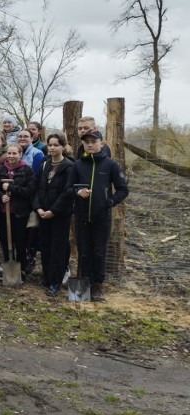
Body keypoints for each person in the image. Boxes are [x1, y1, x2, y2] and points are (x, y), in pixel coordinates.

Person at [68, 129, 128, 302]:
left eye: (93, 141)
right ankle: (84, 284)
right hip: (81, 217)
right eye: (86, 142)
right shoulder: (77, 165)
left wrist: (109, 202)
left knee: (99, 252)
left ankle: (98, 286)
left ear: (101, 143)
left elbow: (123, 190)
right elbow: (68, 188)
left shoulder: (111, 165)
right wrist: (78, 191)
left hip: (102, 217)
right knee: (84, 251)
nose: (90, 144)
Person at [33, 133, 75, 297]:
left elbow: (67, 192)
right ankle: (47, 277)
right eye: (50, 145)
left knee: (58, 247)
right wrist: (38, 208)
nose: (52, 148)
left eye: (56, 145)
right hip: (43, 213)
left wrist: (53, 211)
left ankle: (55, 282)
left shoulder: (69, 167)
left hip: (60, 215)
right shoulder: (45, 164)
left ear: (63, 147)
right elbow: (37, 188)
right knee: (45, 246)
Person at [0, 143, 36, 278]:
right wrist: (1, 196)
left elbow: (30, 191)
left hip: (20, 212)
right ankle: (8, 264)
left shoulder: (27, 170)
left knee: (20, 241)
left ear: (20, 154)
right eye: (9, 153)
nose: (11, 156)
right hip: (4, 212)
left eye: (15, 153)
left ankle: (22, 268)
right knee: (5, 239)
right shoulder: (2, 170)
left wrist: (12, 188)